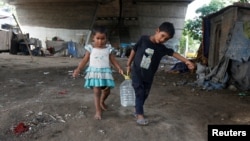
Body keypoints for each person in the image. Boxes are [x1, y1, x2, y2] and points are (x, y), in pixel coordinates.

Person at [126, 22, 195, 125]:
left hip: (149, 76)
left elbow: (173, 53)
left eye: (166, 39)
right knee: (139, 92)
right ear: (157, 30)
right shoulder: (143, 39)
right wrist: (128, 64)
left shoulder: (161, 48)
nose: (163, 40)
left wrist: (186, 61)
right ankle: (140, 115)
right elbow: (134, 50)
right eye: (162, 36)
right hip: (137, 72)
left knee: (145, 94)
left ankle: (137, 109)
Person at [73, 26, 124, 120]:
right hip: (94, 73)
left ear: (106, 38)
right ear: (93, 37)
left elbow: (113, 60)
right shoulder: (90, 48)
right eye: (98, 38)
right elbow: (85, 60)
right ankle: (98, 111)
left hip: (105, 73)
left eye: (103, 38)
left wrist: (119, 68)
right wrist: (78, 69)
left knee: (107, 91)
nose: (100, 41)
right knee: (97, 92)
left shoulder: (108, 49)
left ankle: (102, 101)